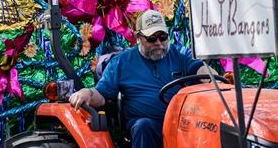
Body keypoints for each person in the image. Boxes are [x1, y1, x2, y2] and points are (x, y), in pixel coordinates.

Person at [68, 10, 210, 148]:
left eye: (163, 37)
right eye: (152, 38)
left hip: (181, 123)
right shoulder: (122, 62)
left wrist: (214, 77)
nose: (159, 43)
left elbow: (199, 69)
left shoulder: (178, 54)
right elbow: (102, 94)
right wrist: (87, 93)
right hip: (146, 125)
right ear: (138, 38)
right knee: (144, 126)